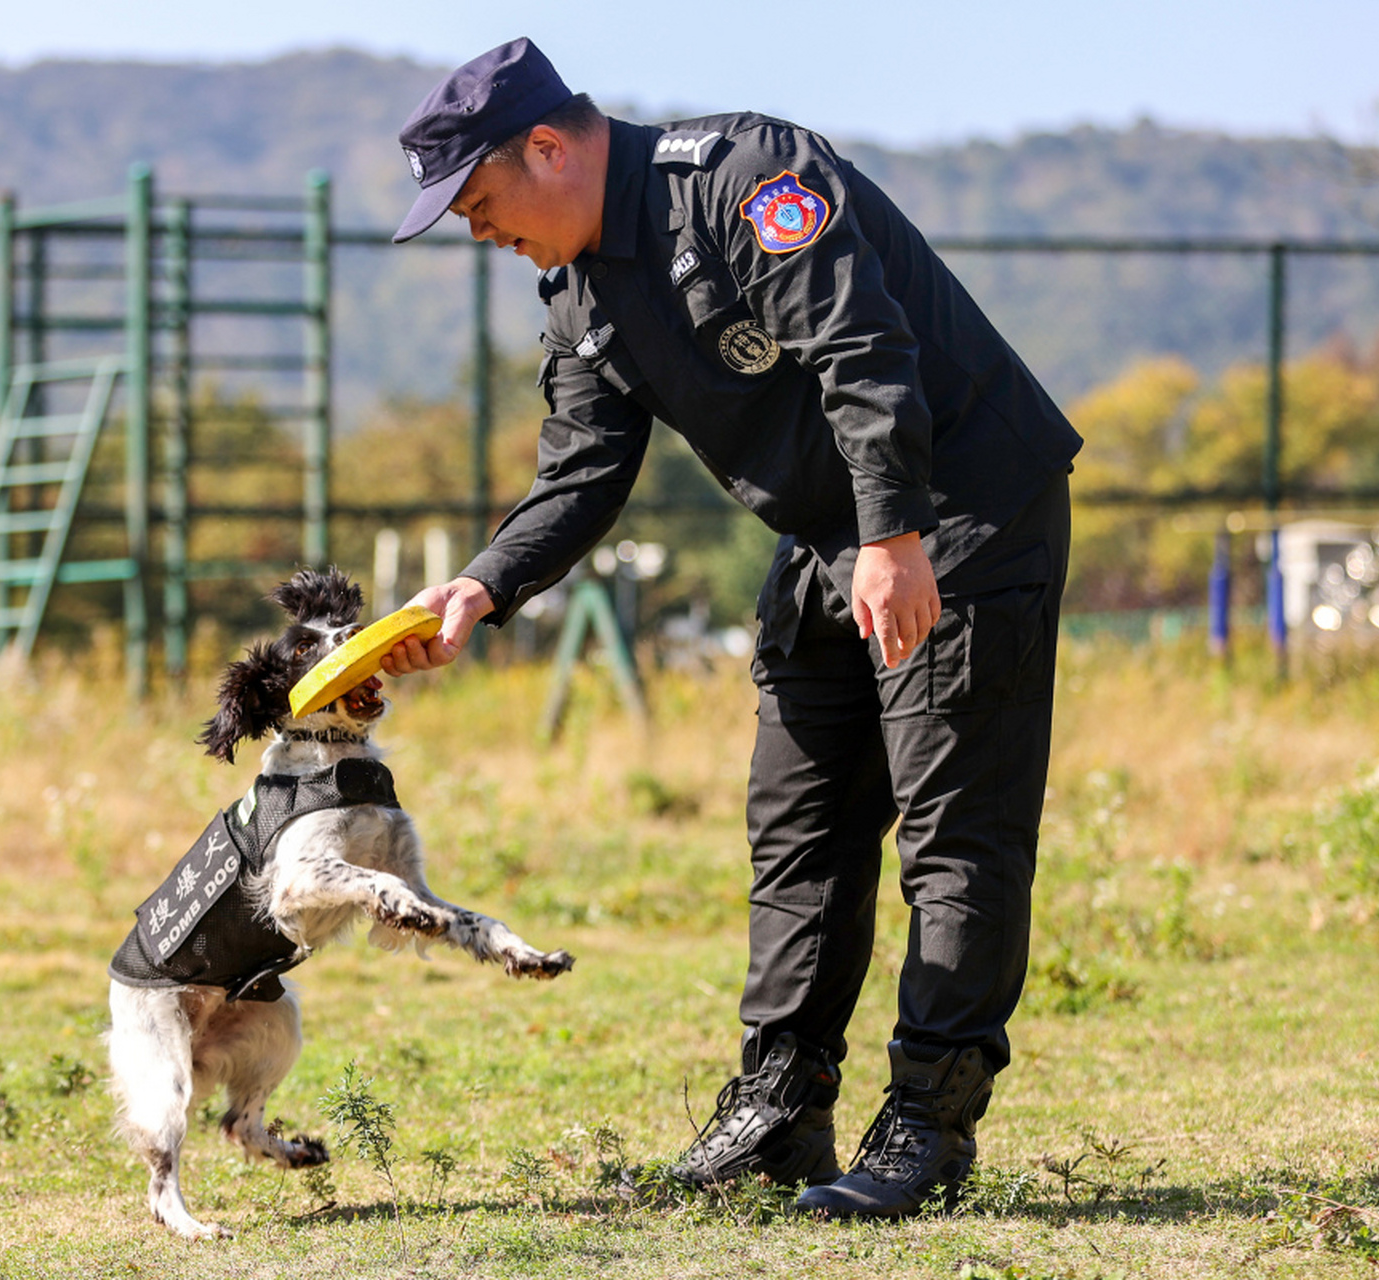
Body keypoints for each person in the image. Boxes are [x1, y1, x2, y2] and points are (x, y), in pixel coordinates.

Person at [379, 38, 1082, 1219]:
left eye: (481, 201)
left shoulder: (743, 177)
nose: (477, 232)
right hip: (826, 540)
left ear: (547, 148)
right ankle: (777, 1112)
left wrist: (896, 537)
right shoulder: (581, 287)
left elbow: (866, 350)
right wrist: (481, 586)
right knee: (797, 823)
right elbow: (583, 468)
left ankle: (927, 1125)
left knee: (956, 832)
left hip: (956, 512)